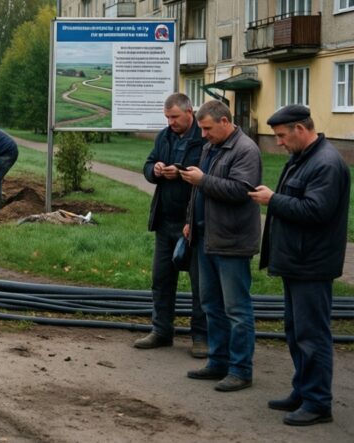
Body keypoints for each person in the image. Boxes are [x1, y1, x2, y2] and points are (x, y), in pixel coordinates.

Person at [250, 105, 349, 426]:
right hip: (296, 260)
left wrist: (272, 200)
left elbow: (316, 211)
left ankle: (318, 402)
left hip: (312, 264)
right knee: (295, 332)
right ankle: (303, 391)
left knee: (312, 335)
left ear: (300, 130)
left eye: (281, 136)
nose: (278, 143)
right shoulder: (305, 158)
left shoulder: (326, 163)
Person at [180, 100, 261, 392]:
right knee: (211, 305)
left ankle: (240, 370)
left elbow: (241, 191)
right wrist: (191, 219)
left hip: (232, 241)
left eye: (207, 128)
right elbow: (197, 192)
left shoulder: (246, 150)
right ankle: (218, 361)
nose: (203, 134)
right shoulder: (211, 147)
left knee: (236, 309)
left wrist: (203, 180)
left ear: (225, 122)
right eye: (201, 129)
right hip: (206, 237)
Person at [134, 93, 208, 358]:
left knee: (200, 284)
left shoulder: (203, 137)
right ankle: (162, 331)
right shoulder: (164, 136)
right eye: (167, 117)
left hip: (195, 222)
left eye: (175, 117)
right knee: (161, 279)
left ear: (190, 113)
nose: (171, 122)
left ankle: (201, 337)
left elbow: (208, 172)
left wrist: (181, 172)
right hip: (165, 220)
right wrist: (154, 170)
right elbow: (148, 163)